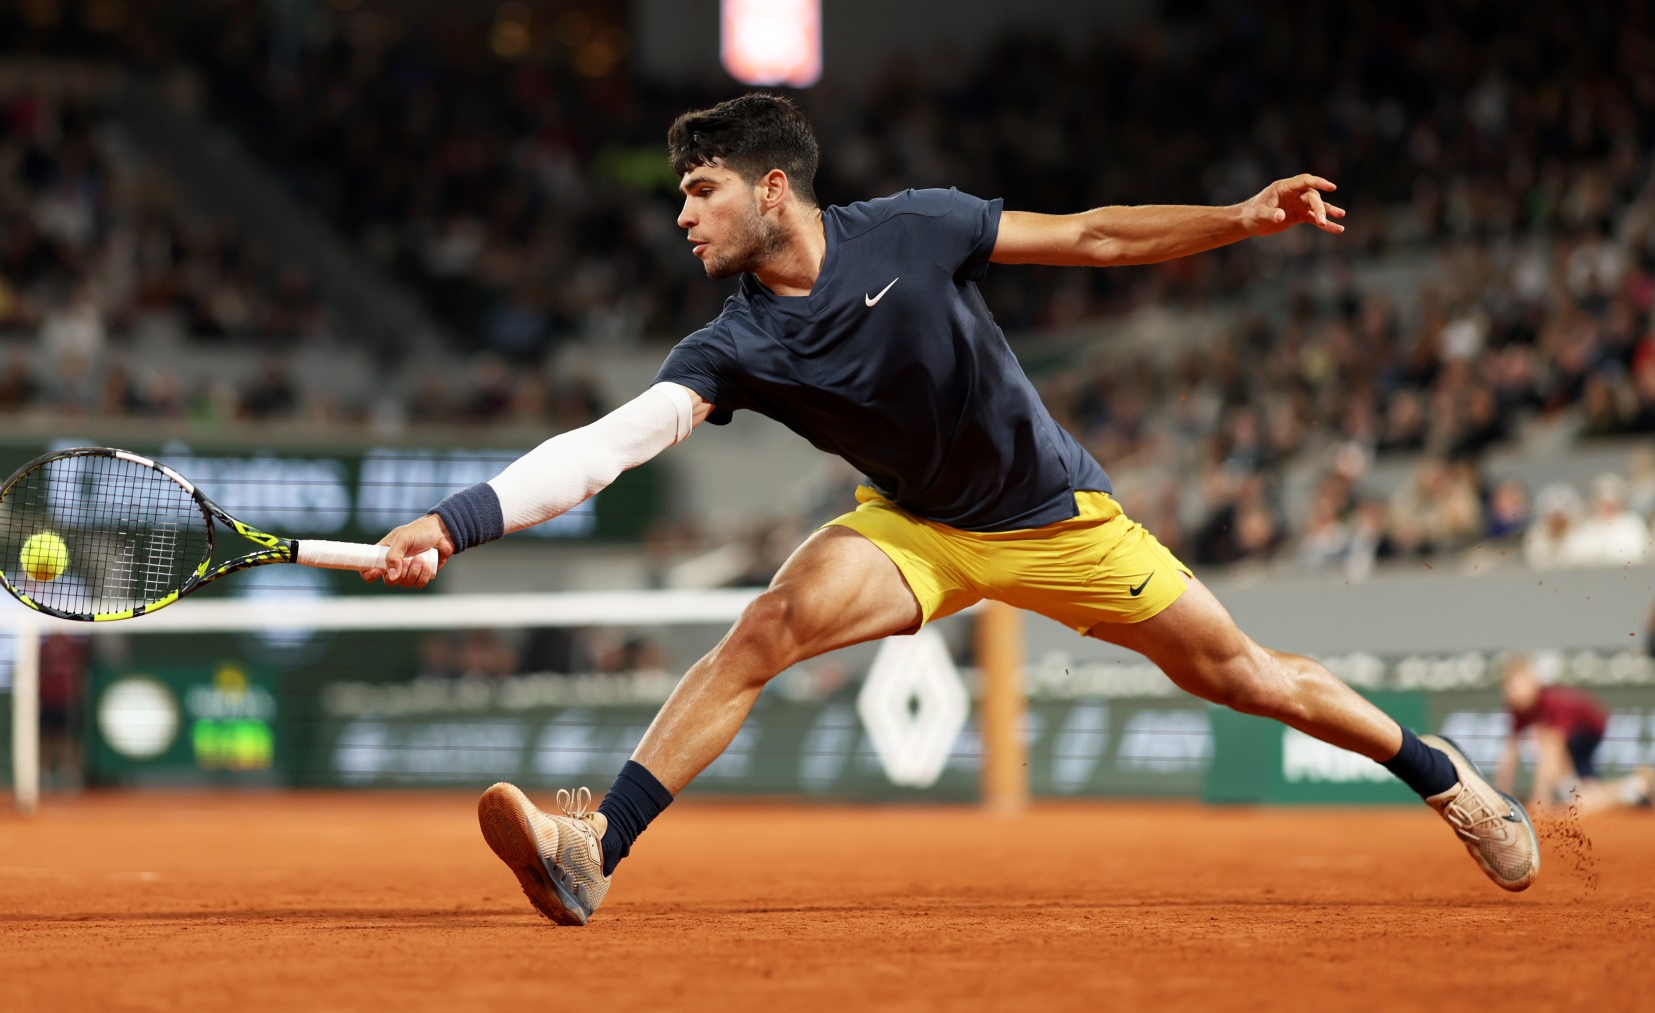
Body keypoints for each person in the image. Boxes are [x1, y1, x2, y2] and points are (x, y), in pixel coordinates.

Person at [367, 94, 1540, 925]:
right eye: (682, 193)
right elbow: (604, 448)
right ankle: (593, 853)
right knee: (764, 627)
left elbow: (1091, 235)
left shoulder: (915, 228)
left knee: (1246, 675)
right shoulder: (733, 342)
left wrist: (1238, 219)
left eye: (702, 188)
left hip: (1059, 519)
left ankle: (1445, 776)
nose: (684, 214)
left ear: (773, 188)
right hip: (916, 532)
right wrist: (456, 519)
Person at [1497, 657, 1653, 814]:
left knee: (1579, 798)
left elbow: (1553, 751)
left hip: (1587, 732)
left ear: (1532, 682)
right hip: (1572, 741)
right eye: (1509, 688)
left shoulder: (1552, 701)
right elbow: (1509, 753)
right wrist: (1500, 796)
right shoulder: (1519, 709)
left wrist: (1539, 797)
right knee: (1584, 795)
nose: (1512, 693)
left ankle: (1637, 785)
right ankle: (1638, 785)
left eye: (1517, 686)